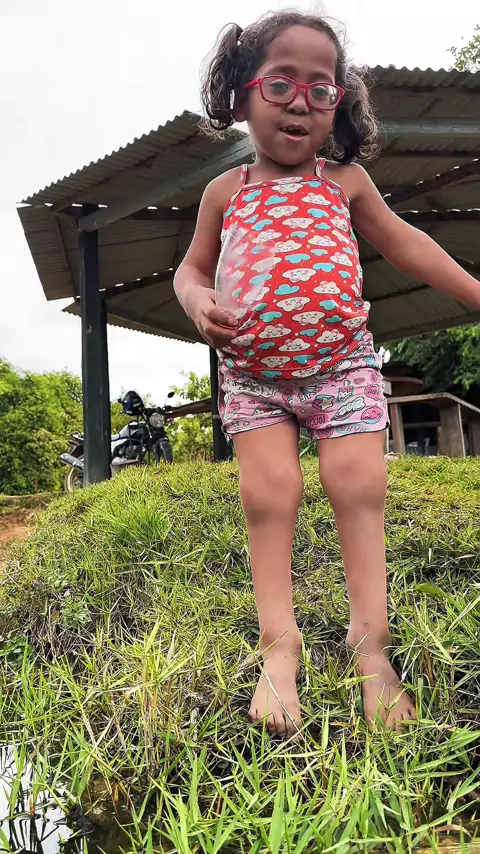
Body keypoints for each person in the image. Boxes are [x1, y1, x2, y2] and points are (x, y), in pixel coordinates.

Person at [174, 11, 480, 738]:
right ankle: (279, 649)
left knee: (360, 488)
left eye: (322, 88)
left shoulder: (345, 182)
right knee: (269, 496)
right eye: (280, 83)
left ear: (339, 105)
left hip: (341, 366)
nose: (301, 101)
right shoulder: (225, 191)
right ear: (240, 94)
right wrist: (197, 301)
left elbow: (408, 243)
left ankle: (370, 646)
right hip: (253, 376)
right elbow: (190, 270)